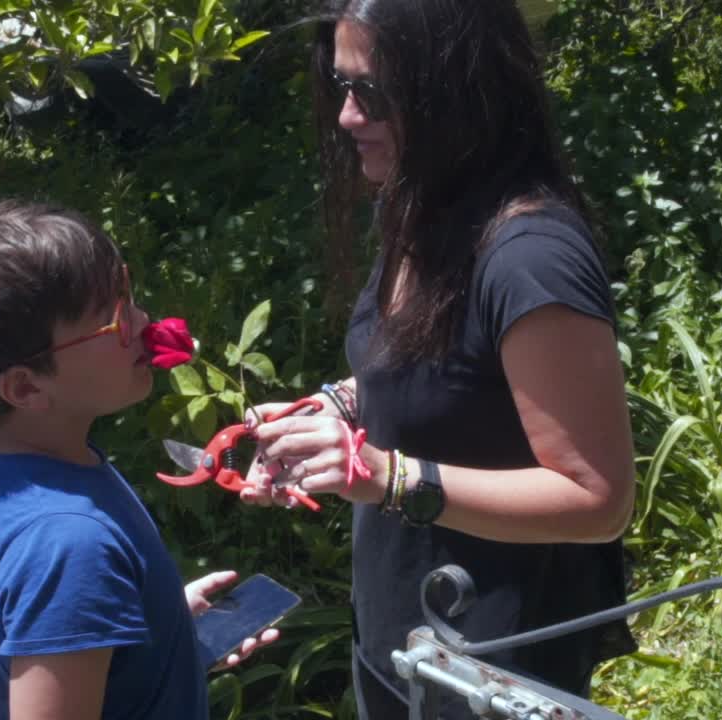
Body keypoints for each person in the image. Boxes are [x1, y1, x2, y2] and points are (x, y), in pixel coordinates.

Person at [240, 1, 637, 717]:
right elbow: (433, 371)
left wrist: (387, 477)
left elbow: (598, 501)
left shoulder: (530, 257)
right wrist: (330, 408)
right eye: (341, 85)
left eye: (373, 93)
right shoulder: (423, 204)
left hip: (496, 670)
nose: (347, 116)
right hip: (403, 638)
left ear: (457, 92)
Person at [0, 201, 275, 720]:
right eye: (114, 321)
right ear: (26, 387)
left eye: (128, 295)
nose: (142, 321)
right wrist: (79, 606)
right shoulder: (70, 544)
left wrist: (149, 635)